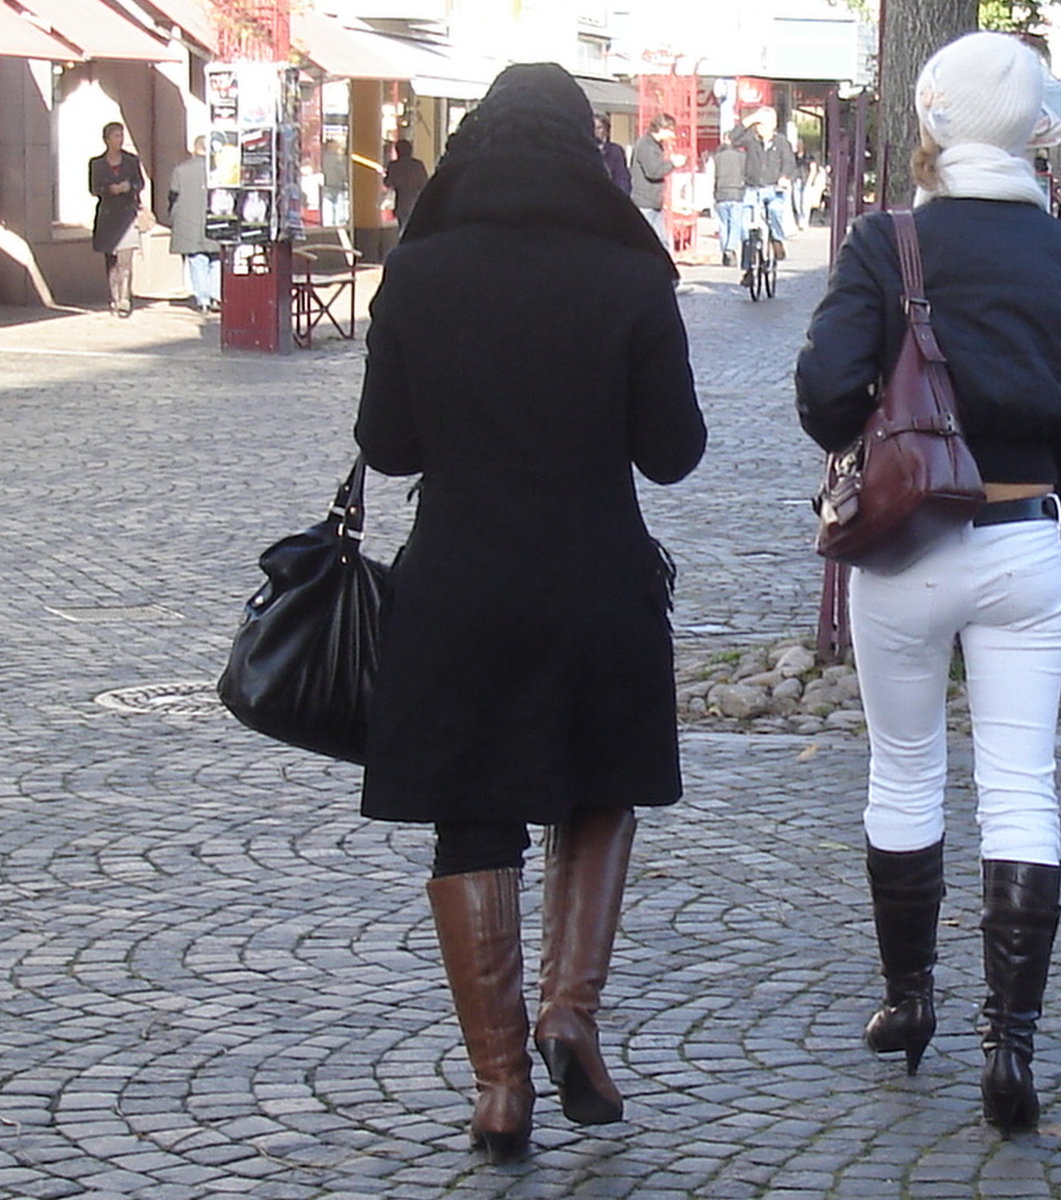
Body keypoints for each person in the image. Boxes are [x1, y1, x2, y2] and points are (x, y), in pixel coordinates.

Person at [354, 61, 706, 1163]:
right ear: (583, 156)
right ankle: (569, 1013)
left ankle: (500, 1089)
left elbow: (388, 447)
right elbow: (674, 452)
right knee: (599, 785)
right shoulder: (628, 278)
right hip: (595, 576)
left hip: (459, 581)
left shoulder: (417, 275)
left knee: (472, 813)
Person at [795, 31, 1061, 1137]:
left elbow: (826, 394)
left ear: (926, 124)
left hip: (911, 543)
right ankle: (1009, 1049)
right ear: (1032, 130)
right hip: (1026, 530)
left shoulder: (890, 242)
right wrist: (1046, 520)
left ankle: (908, 1000)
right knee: (1023, 789)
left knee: (905, 771)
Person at [89, 122, 145, 318]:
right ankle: (113, 297)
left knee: (126, 261)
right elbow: (94, 188)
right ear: (106, 139)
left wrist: (128, 186)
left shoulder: (131, 161)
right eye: (115, 136)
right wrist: (109, 189)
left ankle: (124, 299)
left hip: (127, 215)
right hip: (107, 217)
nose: (119, 140)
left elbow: (140, 183)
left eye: (121, 136)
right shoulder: (96, 163)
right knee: (111, 263)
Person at [737, 106, 795, 267]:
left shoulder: (781, 142)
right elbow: (731, 139)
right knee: (745, 226)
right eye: (759, 123)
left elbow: (789, 163)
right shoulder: (750, 139)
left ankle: (777, 240)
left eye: (765, 123)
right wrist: (749, 120)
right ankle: (748, 268)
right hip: (752, 188)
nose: (761, 127)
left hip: (773, 187)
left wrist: (784, 177)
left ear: (773, 125)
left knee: (775, 211)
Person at [167, 135, 219, 312]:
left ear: (194, 149)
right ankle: (216, 295)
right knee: (216, 260)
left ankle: (203, 299)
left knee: (197, 260)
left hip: (188, 222)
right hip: (215, 221)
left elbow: (173, 197)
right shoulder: (219, 170)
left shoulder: (181, 170)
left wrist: (173, 219)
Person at [629, 113, 681, 248]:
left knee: (661, 242)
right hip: (645, 202)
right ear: (661, 128)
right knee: (649, 242)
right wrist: (673, 164)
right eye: (670, 130)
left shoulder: (654, 144)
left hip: (653, 202)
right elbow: (653, 171)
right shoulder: (646, 145)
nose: (672, 134)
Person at [711, 127, 746, 268]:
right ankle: (730, 249)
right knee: (735, 224)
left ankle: (726, 252)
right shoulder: (742, 157)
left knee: (723, 225)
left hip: (721, 193)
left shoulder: (716, 157)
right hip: (737, 192)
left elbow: (712, 176)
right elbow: (745, 174)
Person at [383, 139, 429, 230]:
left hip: (401, 204)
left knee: (403, 230)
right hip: (417, 203)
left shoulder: (394, 166)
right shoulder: (418, 165)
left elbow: (388, 183)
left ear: (397, 151)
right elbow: (425, 182)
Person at [595, 113, 630, 194]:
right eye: (593, 127)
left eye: (599, 128)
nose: (595, 131)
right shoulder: (584, 150)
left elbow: (622, 178)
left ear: (606, 130)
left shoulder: (615, 151)